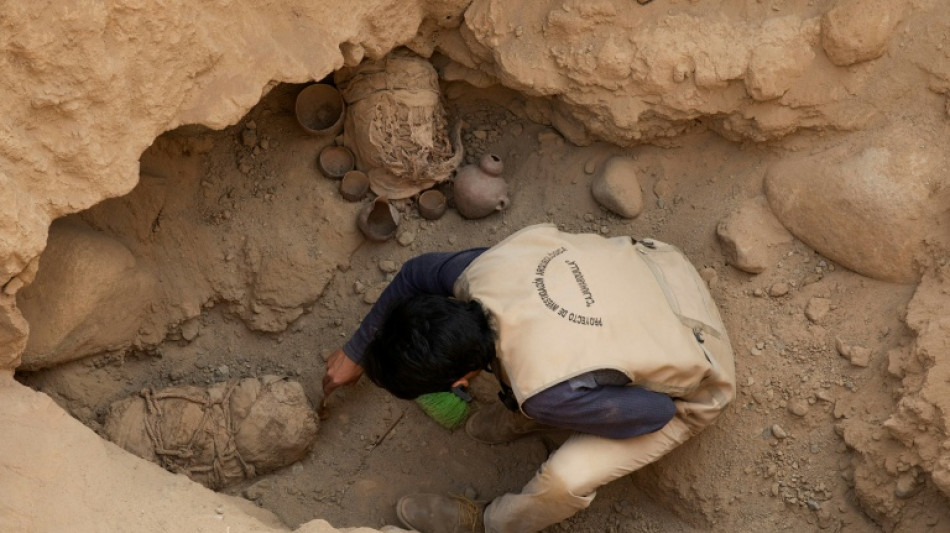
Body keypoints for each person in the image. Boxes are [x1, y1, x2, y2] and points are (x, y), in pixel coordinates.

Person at [323, 224, 736, 533]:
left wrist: (565, 406)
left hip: (700, 364)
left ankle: (487, 522)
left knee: (564, 479)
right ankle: (560, 400)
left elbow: (655, 411)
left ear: (461, 381)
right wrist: (357, 350)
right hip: (661, 264)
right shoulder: (481, 270)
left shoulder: (542, 389)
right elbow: (415, 273)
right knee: (550, 388)